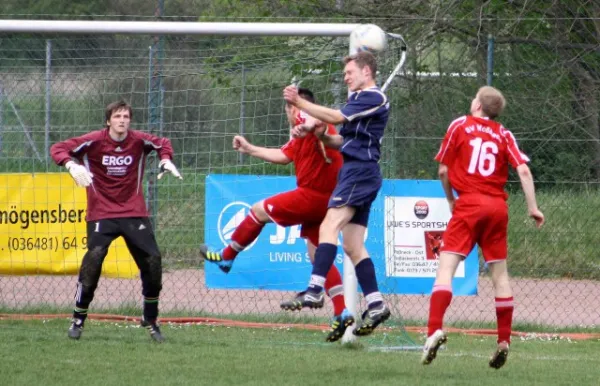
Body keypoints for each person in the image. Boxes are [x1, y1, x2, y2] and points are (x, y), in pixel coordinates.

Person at [200, 88, 354, 342]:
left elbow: (319, 125)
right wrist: (250, 149)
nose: (290, 114)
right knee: (316, 253)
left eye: (290, 108)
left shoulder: (315, 122)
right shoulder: (300, 133)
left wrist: (306, 120)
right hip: (324, 202)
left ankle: (227, 257)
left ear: (298, 107)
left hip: (313, 196)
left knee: (258, 210)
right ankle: (342, 311)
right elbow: (284, 156)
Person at [421, 86, 545, 368]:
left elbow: (443, 169)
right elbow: (523, 170)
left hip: (469, 206)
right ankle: (503, 340)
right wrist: (533, 208)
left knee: (446, 268)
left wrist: (451, 199)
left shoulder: (460, 124)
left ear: (477, 105)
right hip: (497, 208)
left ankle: (434, 331)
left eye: (474, 96)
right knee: (500, 276)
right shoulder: (504, 134)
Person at [50, 100, 183, 342]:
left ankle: (151, 319)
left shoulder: (138, 140)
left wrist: (166, 159)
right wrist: (70, 164)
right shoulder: (94, 141)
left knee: (153, 262)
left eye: (126, 116)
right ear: (108, 120)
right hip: (102, 213)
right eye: (117, 116)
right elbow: (58, 148)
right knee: (94, 260)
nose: (122, 120)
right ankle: (78, 319)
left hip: (133, 212)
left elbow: (163, 143)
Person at [282, 50, 391, 336]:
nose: (345, 77)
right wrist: (318, 134)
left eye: (349, 72)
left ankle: (316, 288)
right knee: (353, 245)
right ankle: (376, 303)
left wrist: (299, 102)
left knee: (329, 225)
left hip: (359, 172)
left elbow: (336, 117)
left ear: (366, 71)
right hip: (359, 172)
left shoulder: (373, 96)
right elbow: (341, 140)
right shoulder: (359, 100)